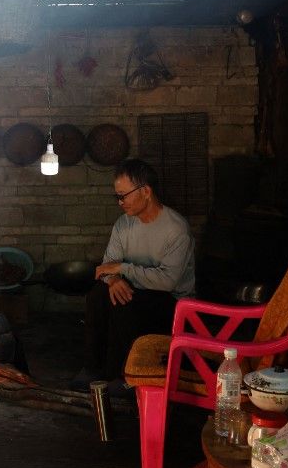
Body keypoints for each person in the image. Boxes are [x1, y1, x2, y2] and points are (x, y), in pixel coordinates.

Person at [73, 158, 196, 393]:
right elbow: (106, 267)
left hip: (171, 300)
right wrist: (114, 279)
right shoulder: (123, 224)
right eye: (117, 196)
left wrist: (122, 270)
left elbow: (166, 281)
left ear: (146, 191)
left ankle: (123, 374)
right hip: (134, 288)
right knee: (99, 294)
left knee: (124, 302)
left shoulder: (176, 229)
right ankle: (93, 367)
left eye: (123, 196)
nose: (120, 202)